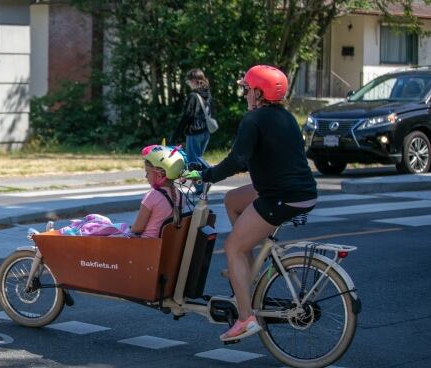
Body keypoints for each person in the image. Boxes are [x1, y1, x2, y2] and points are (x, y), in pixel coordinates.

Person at [182, 65, 318, 342]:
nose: (244, 94)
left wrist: (206, 175)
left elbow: (237, 161)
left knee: (232, 246)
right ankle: (247, 270)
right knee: (233, 200)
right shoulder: (286, 117)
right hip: (301, 191)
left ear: (258, 93)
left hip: (281, 196)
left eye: (246, 89)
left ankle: (245, 319)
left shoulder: (253, 120)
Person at [131, 145, 186, 238]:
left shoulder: (152, 196)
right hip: (168, 246)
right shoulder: (180, 196)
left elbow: (137, 228)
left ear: (159, 175)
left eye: (147, 172)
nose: (146, 176)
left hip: (148, 246)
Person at [173, 68, 213, 192]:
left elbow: (187, 116)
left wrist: (176, 133)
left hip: (194, 132)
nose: (188, 84)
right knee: (198, 158)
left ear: (193, 81)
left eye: (189, 81)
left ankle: (204, 182)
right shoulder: (207, 94)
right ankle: (205, 180)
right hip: (206, 132)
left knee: (192, 161)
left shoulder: (193, 96)